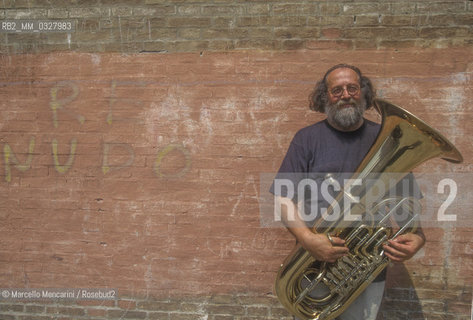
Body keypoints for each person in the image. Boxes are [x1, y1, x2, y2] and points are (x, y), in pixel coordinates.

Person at [271, 64, 426, 320]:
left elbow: (409, 208)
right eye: (336, 90)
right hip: (313, 267)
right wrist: (309, 240)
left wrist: (417, 240)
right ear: (325, 97)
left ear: (364, 93)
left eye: (352, 88)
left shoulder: (389, 142)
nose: (345, 95)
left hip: (365, 273)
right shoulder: (307, 139)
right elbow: (282, 197)